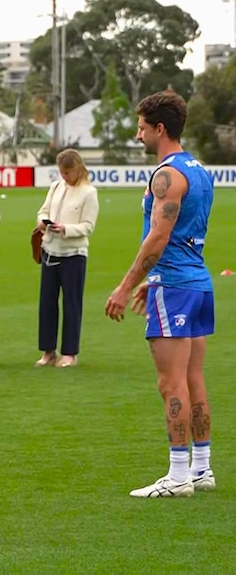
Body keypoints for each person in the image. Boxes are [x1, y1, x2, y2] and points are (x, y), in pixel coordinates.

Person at [105, 91, 216, 498]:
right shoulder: (200, 170)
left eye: (141, 128)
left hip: (174, 286)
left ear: (160, 129)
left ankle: (177, 475)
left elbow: (159, 237)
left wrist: (126, 285)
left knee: (171, 383)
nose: (138, 135)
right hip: (199, 283)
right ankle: (201, 468)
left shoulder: (166, 175)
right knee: (193, 378)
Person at [35, 149, 99, 368]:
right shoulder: (55, 187)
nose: (64, 176)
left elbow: (88, 226)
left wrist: (66, 229)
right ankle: (48, 351)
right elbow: (43, 211)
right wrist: (44, 222)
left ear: (78, 169)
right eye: (61, 172)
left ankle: (70, 353)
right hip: (50, 250)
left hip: (74, 254)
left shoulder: (88, 193)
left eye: (67, 172)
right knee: (47, 303)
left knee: (71, 303)